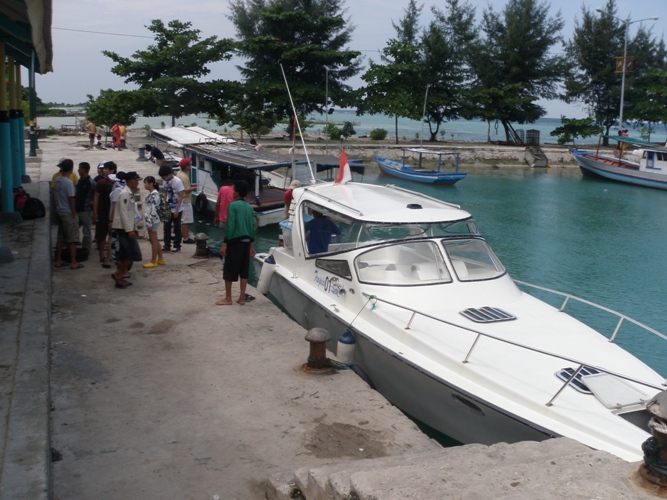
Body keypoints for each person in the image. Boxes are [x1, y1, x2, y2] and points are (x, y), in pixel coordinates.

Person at [216, 180, 256, 305]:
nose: (232, 193)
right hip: (246, 241)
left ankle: (228, 298)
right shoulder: (249, 207)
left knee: (229, 269)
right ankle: (241, 298)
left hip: (235, 242)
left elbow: (231, 226)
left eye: (234, 191)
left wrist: (225, 243)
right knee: (244, 270)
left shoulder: (233, 205)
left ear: (237, 193)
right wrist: (251, 246)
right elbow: (252, 226)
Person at [111, 171, 143, 288]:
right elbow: (124, 213)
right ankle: (118, 273)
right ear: (131, 181)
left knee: (125, 255)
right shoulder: (125, 193)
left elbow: (131, 214)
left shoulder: (129, 193)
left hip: (127, 227)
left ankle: (119, 277)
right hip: (123, 229)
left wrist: (134, 228)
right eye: (136, 180)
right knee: (132, 253)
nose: (137, 183)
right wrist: (129, 230)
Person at [53, 158, 83, 270]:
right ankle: (73, 262)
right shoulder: (69, 182)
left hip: (59, 210)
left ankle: (58, 260)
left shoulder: (57, 180)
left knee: (60, 237)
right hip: (67, 212)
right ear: (71, 168)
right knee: (72, 239)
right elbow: (71, 199)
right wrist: (74, 213)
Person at [93, 161, 117, 267]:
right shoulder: (100, 182)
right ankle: (102, 256)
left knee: (111, 236)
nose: (104, 171)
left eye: (106, 169)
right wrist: (95, 212)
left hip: (112, 213)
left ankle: (109, 256)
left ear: (112, 170)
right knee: (101, 236)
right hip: (102, 212)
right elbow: (96, 197)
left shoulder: (117, 183)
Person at [159, 165, 184, 252]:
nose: (164, 179)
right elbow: (165, 193)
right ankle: (167, 245)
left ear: (169, 174)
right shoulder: (165, 182)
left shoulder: (178, 182)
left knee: (177, 227)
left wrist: (177, 210)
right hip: (168, 207)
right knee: (166, 227)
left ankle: (177, 245)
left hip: (177, 207)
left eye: (165, 177)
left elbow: (181, 196)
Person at [142, 176, 166, 268]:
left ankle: (153, 260)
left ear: (151, 183)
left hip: (152, 220)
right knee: (154, 240)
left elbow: (153, 210)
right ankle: (160, 258)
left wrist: (150, 222)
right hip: (153, 220)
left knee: (153, 240)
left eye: (146, 183)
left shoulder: (154, 195)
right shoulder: (153, 194)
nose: (144, 185)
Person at [75, 162, 96, 256]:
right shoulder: (79, 181)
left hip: (86, 211)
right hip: (77, 210)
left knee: (87, 232)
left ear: (84, 169)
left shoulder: (91, 183)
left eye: (79, 168)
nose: (78, 170)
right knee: (75, 228)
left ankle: (86, 249)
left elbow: (96, 195)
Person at [177, 158, 198, 244]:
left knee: (180, 219)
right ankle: (186, 238)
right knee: (184, 221)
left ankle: (173, 233)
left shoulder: (179, 173)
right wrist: (193, 188)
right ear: (186, 166)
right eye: (189, 164)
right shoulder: (185, 177)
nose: (190, 166)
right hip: (185, 200)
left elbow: (182, 185)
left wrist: (191, 185)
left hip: (180, 200)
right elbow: (186, 190)